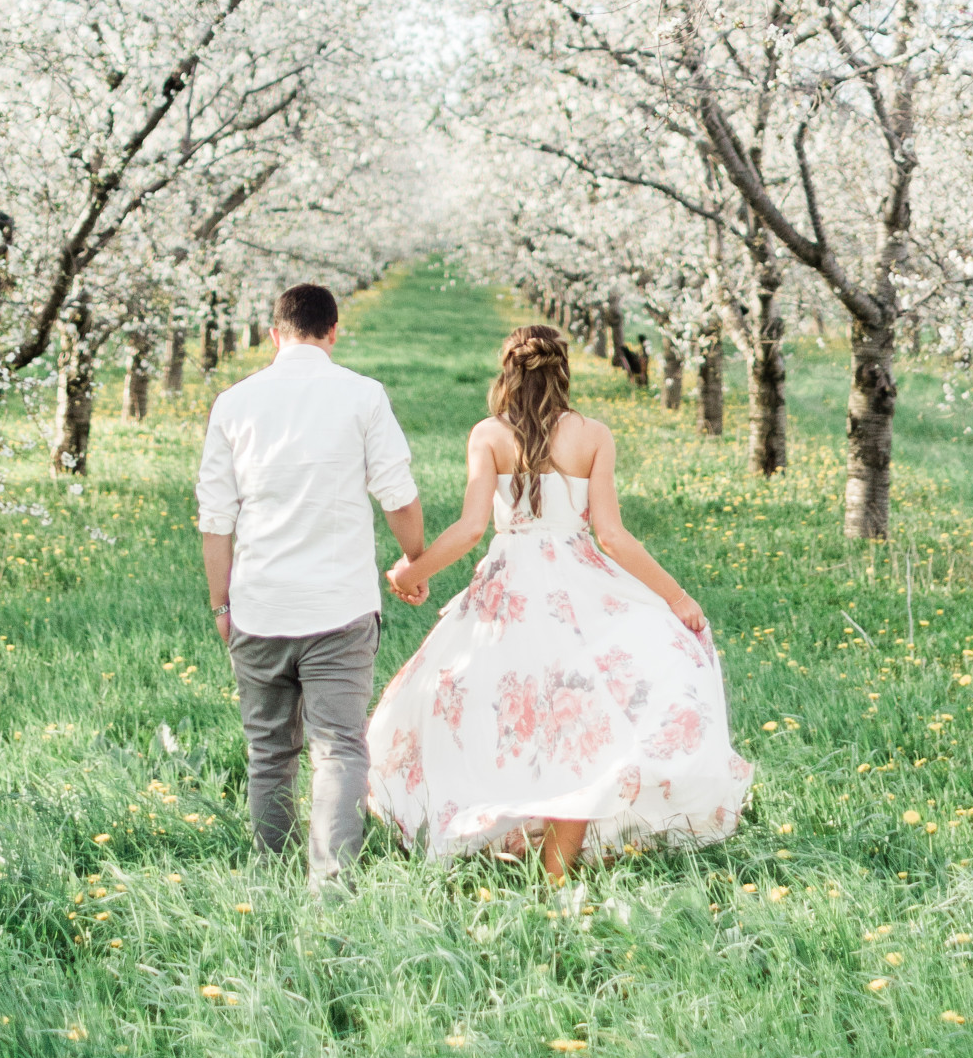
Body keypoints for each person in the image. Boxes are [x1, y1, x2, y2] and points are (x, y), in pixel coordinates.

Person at [368, 321, 751, 880]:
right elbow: (613, 537)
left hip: (510, 590)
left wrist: (411, 572)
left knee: (492, 706)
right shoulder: (594, 434)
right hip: (578, 585)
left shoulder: (488, 435)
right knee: (582, 718)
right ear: (564, 370)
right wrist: (677, 598)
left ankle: (507, 832)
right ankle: (554, 867)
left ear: (507, 372)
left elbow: (472, 528)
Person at [196, 280, 426, 885]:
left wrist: (221, 605)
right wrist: (414, 562)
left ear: (275, 334)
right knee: (340, 749)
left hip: (259, 607)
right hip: (340, 606)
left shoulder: (234, 403)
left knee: (270, 755)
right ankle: (331, 886)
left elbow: (216, 520)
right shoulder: (363, 395)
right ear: (333, 333)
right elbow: (397, 493)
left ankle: (270, 879)